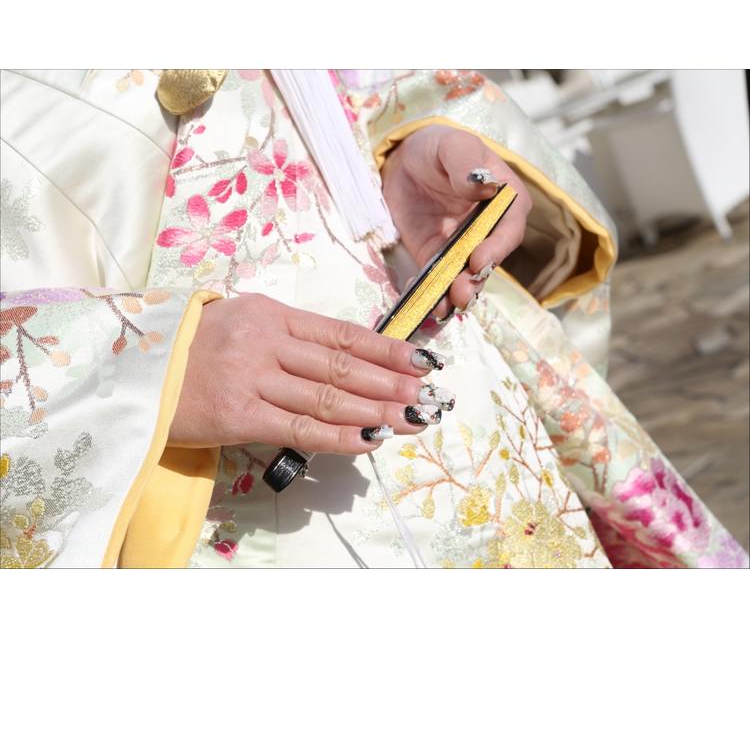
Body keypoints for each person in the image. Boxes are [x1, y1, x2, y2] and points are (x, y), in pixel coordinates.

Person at [1, 68, 746, 569]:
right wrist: (134, 360)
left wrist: (404, 150)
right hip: (204, 513)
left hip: (464, 418)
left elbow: (356, 87)